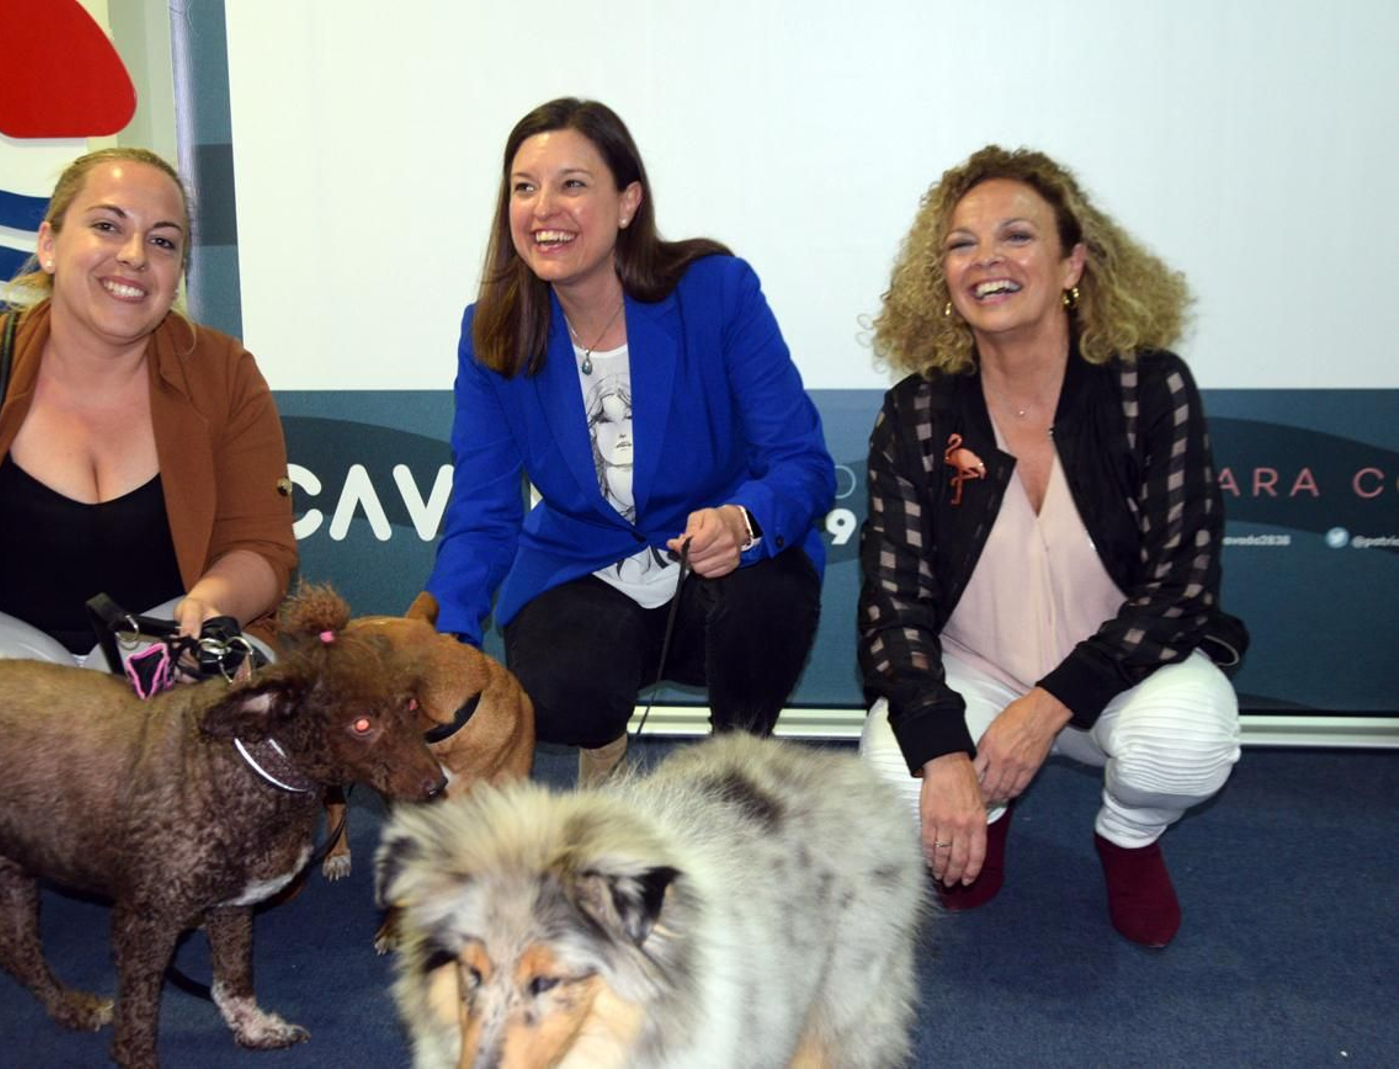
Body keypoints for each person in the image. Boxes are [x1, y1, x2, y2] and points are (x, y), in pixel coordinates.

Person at [0, 147, 297, 953]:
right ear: (49, 243)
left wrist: (212, 602)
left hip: (151, 640)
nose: (134, 256)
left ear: (177, 273)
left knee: (252, 687)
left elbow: (260, 546)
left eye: (162, 241)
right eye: (107, 226)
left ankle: (171, 849)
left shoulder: (224, 374)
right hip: (2, 644)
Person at [856, 145, 1249, 948]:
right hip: (977, 670)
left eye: (1016, 236)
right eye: (962, 244)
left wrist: (1046, 707)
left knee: (1188, 744)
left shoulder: (1148, 388)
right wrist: (945, 752)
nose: (986, 260)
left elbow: (1183, 586)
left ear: (1072, 263)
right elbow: (892, 607)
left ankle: (1128, 837)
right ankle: (985, 811)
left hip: (1122, 671)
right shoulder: (918, 412)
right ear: (943, 277)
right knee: (900, 778)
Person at [425, 98, 834, 784]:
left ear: (627, 203)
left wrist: (741, 521)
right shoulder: (490, 331)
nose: (543, 208)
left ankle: (740, 772)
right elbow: (483, 511)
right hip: (584, 566)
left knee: (769, 596)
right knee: (558, 693)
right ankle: (603, 744)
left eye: (572, 184)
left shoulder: (717, 291)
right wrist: (445, 642)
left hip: (718, 570)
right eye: (524, 187)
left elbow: (801, 462)